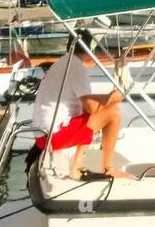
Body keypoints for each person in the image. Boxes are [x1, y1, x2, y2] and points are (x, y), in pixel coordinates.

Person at [30, 52, 131, 180]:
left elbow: (87, 108)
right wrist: (111, 98)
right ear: (89, 49)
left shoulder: (63, 63)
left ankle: (77, 165)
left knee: (99, 112)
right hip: (52, 138)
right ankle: (105, 169)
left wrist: (107, 99)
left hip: (43, 135)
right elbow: (91, 107)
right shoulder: (76, 67)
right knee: (114, 113)